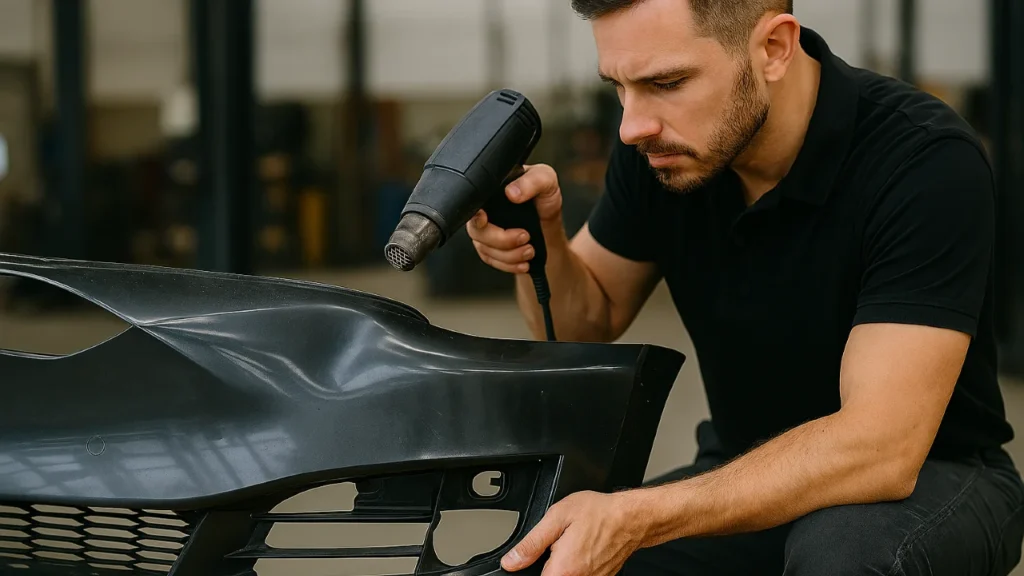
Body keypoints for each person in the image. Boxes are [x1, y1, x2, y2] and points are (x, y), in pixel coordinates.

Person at [466, 0, 1024, 575]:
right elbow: (586, 320)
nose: (633, 125)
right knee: (547, 561)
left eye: (667, 82)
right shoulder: (663, 149)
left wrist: (637, 515)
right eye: (619, 86)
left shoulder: (922, 159)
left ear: (774, 48)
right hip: (743, 475)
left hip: (937, 480)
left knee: (843, 553)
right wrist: (542, 241)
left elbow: (881, 450)